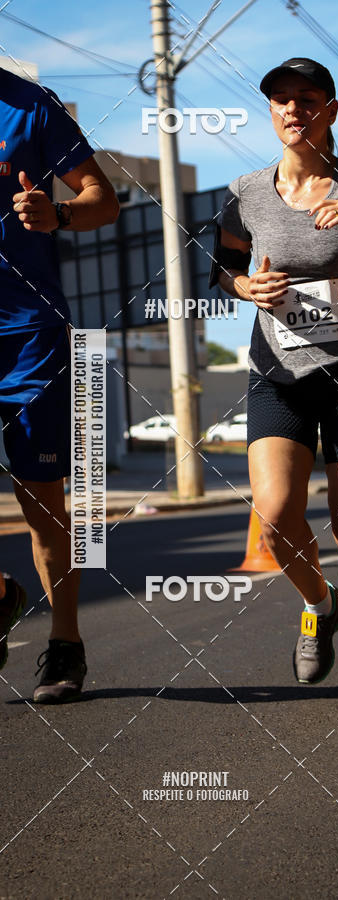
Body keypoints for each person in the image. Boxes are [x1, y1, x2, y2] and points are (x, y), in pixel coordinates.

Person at [212, 57, 338, 698]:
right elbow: (222, 267)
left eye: (306, 98)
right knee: (275, 517)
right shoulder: (246, 191)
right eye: (281, 99)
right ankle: (320, 604)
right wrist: (245, 287)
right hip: (277, 374)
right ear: (270, 111)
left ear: (330, 110)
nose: (293, 109)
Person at [0, 66, 119, 701]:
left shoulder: (31, 108)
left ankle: (66, 642)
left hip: (29, 333)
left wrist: (59, 214)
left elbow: (105, 199)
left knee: (42, 500)